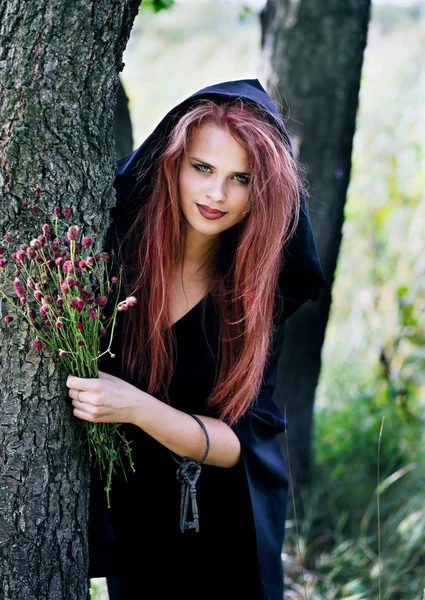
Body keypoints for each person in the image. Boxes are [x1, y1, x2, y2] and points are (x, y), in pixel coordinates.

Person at [66, 79, 325, 600]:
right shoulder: (115, 252)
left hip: (223, 532)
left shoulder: (255, 290)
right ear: (173, 163)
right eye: (202, 168)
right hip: (136, 524)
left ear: (263, 190)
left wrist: (136, 407)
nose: (216, 195)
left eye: (241, 179)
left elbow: (243, 444)